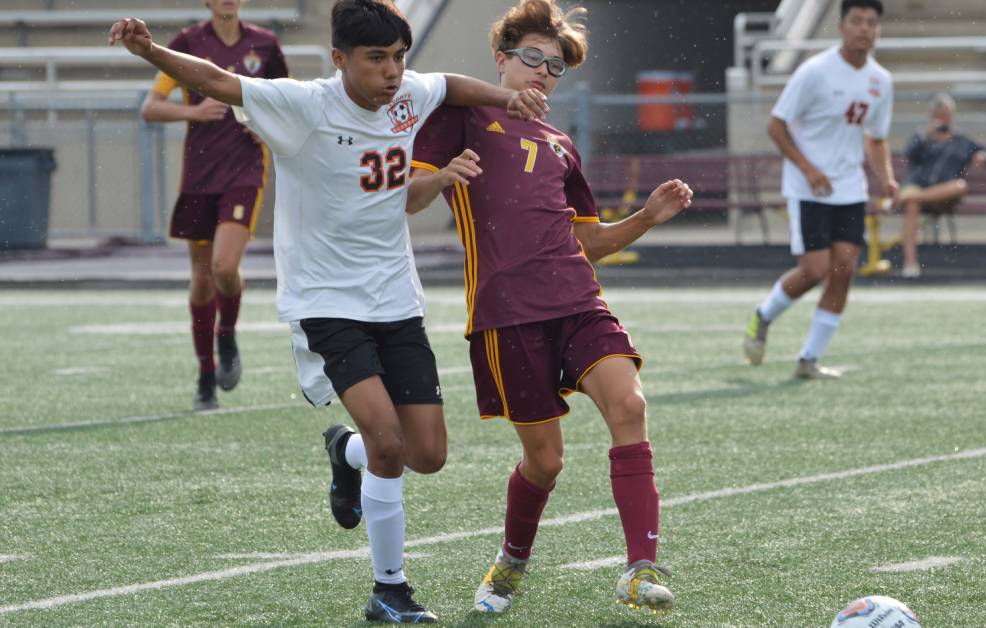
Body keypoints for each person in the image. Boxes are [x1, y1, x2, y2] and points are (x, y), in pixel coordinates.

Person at [109, 0, 549, 623]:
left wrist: (507, 98)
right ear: (339, 59)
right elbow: (216, 81)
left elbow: (449, 84)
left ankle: (346, 452)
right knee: (389, 442)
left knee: (427, 453)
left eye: (399, 58)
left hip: (396, 299)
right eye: (376, 59)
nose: (392, 72)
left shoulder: (408, 93)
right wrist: (150, 51)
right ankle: (389, 590)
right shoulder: (304, 106)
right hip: (326, 301)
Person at [406, 0, 693, 614]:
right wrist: (443, 177)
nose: (543, 71)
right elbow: (407, 197)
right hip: (507, 314)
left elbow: (589, 242)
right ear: (501, 59)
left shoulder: (562, 144)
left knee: (629, 404)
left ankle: (640, 569)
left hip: (578, 301)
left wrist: (646, 217)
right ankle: (511, 561)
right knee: (545, 461)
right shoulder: (462, 116)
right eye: (532, 57)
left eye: (555, 65)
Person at [141, 0, 289, 411]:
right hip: (199, 176)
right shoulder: (188, 42)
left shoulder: (266, 44)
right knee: (203, 277)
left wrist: (268, 128)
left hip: (244, 173)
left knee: (224, 267)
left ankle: (227, 334)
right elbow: (150, 107)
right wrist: (194, 110)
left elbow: (288, 103)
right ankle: (205, 376)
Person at [742, 0, 896, 379]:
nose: (864, 28)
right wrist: (808, 169)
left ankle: (809, 359)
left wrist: (887, 178)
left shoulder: (881, 81)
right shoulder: (814, 72)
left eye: (871, 22)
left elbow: (877, 138)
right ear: (842, 27)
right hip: (808, 188)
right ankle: (763, 315)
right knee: (814, 270)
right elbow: (777, 126)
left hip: (850, 189)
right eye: (857, 21)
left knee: (843, 272)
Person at [897, 93, 986, 278]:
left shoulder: (962, 141)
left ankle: (903, 198)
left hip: (945, 195)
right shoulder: (921, 136)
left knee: (960, 185)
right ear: (931, 116)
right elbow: (909, 154)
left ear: (952, 116)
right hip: (919, 188)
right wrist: (926, 136)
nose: (942, 119)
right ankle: (910, 262)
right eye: (938, 115)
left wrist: (983, 156)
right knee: (912, 204)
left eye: (945, 114)